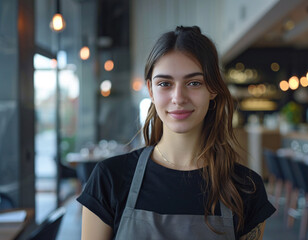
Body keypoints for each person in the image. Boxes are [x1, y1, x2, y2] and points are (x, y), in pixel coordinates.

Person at [77, 26, 275, 240]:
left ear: (213, 89)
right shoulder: (109, 179)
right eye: (165, 83)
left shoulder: (245, 188)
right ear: (151, 90)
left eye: (194, 83)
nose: (178, 97)